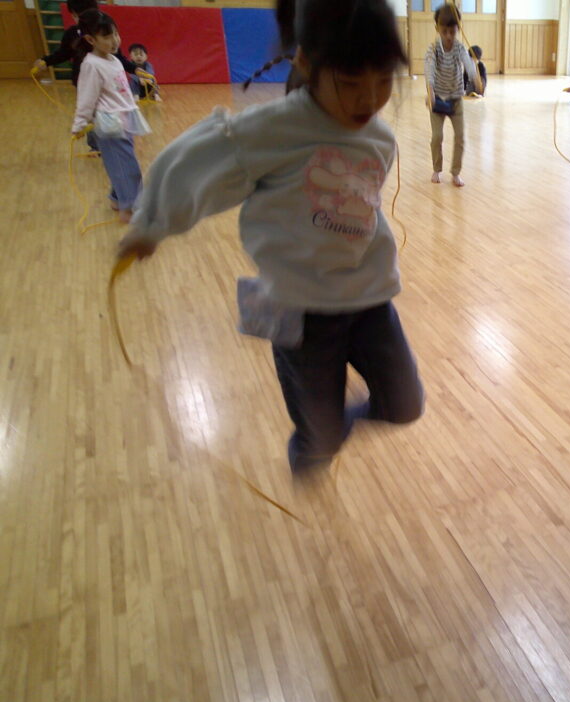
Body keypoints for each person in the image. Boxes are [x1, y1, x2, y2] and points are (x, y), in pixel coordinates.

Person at [115, 0, 424, 474]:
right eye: (350, 83)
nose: (369, 99)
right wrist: (151, 224)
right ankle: (316, 439)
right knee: (319, 442)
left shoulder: (379, 138)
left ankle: (326, 426)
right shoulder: (272, 130)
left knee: (405, 403)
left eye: (384, 81)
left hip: (368, 299)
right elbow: (192, 163)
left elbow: (356, 206)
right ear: (306, 63)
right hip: (300, 308)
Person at [71, 10, 150, 223]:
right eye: (107, 36)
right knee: (128, 167)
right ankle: (129, 208)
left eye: (116, 34)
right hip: (109, 124)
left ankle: (117, 199)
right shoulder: (91, 65)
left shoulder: (113, 59)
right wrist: (79, 124)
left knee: (120, 164)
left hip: (124, 118)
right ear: (90, 40)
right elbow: (86, 98)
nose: (115, 40)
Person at [33, 0, 142, 154]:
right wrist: (46, 61)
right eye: (77, 16)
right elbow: (63, 53)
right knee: (91, 113)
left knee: (109, 112)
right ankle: (96, 145)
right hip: (85, 82)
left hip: (108, 84)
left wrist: (135, 69)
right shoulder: (74, 36)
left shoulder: (105, 34)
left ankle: (113, 141)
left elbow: (119, 58)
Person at [425, 3, 482, 187]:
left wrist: (475, 78)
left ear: (458, 29)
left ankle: (455, 173)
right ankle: (436, 169)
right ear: (437, 29)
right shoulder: (433, 49)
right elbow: (429, 70)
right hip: (438, 100)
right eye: (444, 32)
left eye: (453, 32)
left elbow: (468, 64)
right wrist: (430, 91)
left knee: (460, 137)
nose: (449, 36)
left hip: (455, 99)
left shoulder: (459, 48)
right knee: (437, 137)